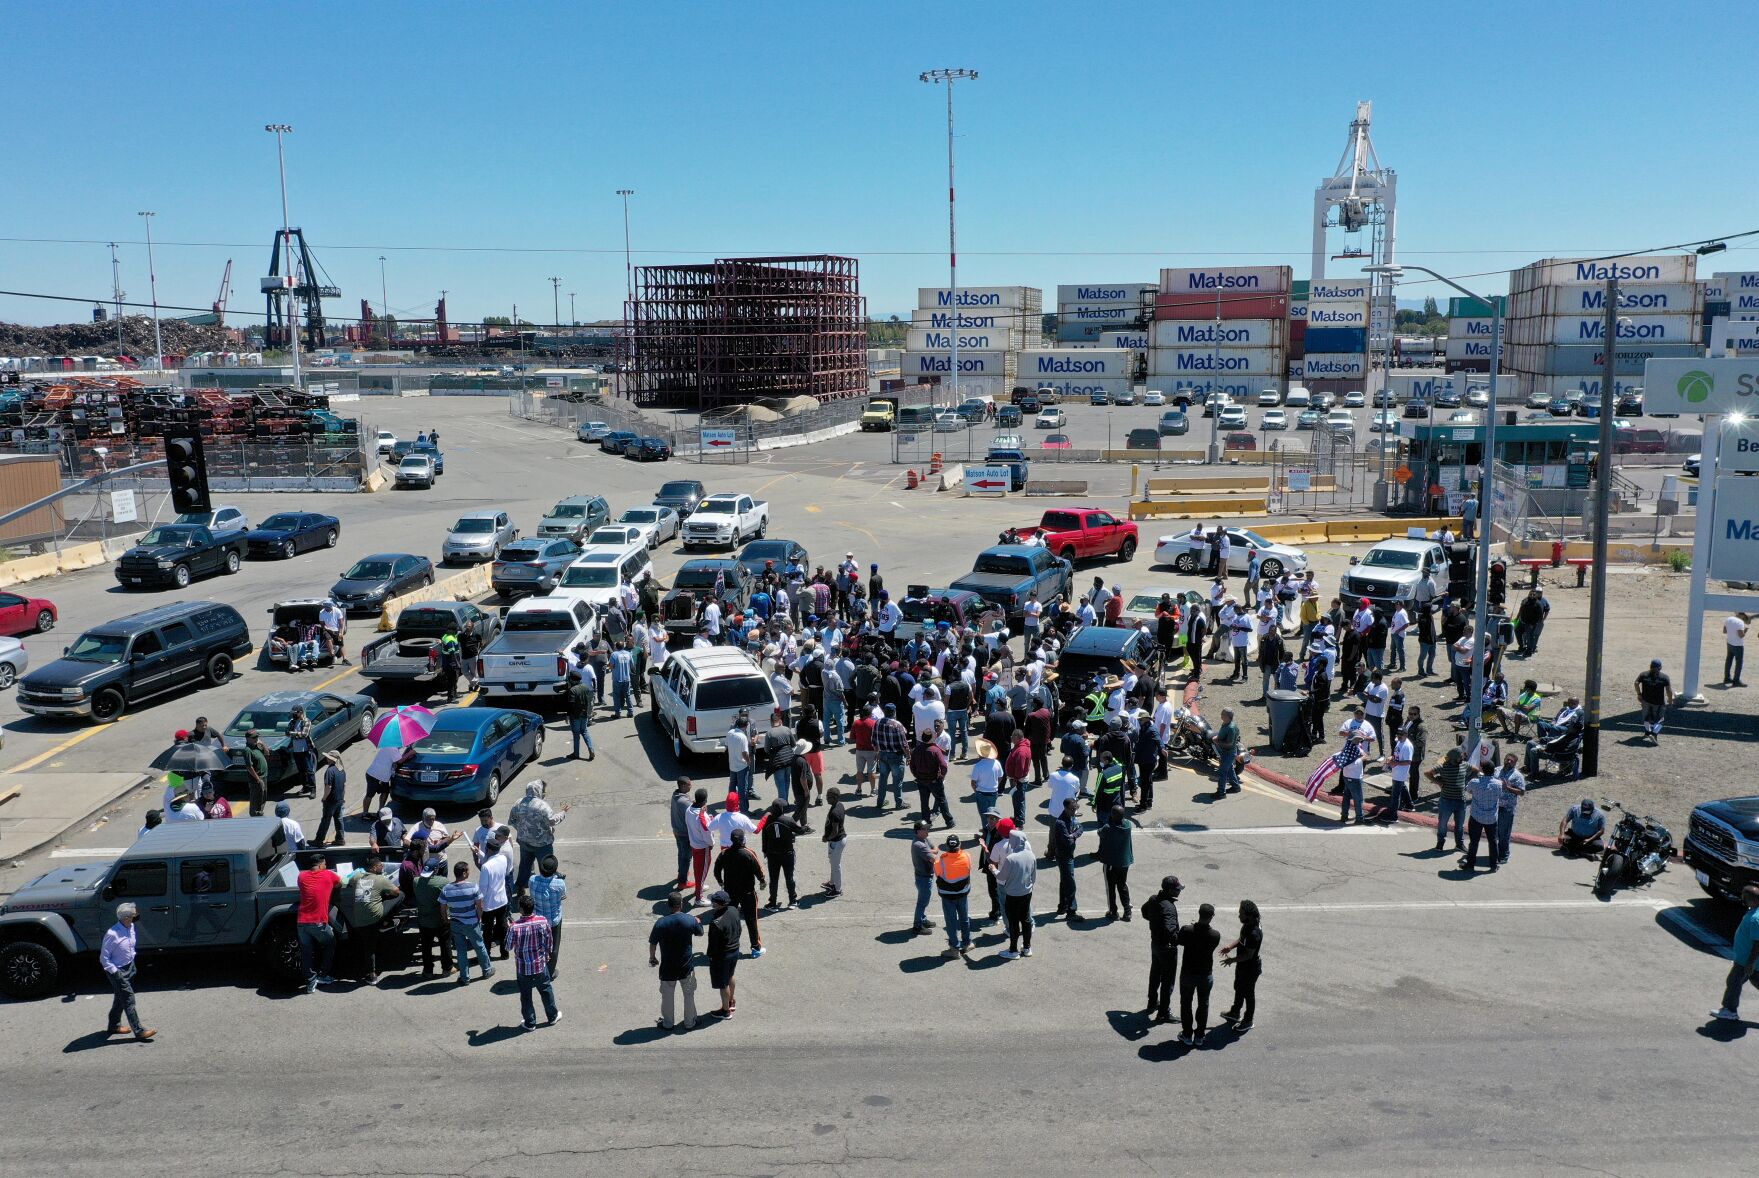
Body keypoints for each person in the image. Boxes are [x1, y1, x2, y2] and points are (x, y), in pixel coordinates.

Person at [649, 892, 706, 1031]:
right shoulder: (689, 919)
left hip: (668, 968)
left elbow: (653, 943)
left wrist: (652, 957)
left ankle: (668, 1024)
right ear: (681, 904)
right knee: (689, 994)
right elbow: (700, 933)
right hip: (686, 967)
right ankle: (690, 1022)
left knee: (667, 996)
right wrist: (698, 922)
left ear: (668, 905)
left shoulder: (660, 923)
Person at [505, 894, 561, 1029]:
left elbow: (508, 946)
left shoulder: (515, 927)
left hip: (523, 968)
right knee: (546, 990)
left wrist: (509, 929)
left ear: (521, 909)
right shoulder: (542, 921)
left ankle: (530, 1022)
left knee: (525, 996)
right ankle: (552, 1016)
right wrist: (547, 954)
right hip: (540, 965)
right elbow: (549, 942)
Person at [100, 902, 155, 1040]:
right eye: (133, 915)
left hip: (130, 967)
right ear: (126, 917)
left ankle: (114, 1025)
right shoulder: (112, 934)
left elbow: (129, 948)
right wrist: (116, 973)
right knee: (129, 999)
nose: (135, 917)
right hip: (117, 971)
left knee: (120, 998)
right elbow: (104, 958)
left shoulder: (131, 927)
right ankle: (139, 1031)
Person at [343, 855, 401, 982]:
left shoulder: (357, 877)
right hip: (374, 917)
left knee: (366, 943)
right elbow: (396, 892)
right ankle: (371, 974)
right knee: (401, 895)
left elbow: (348, 880)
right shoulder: (380, 879)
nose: (382, 867)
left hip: (358, 918)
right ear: (374, 868)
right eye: (380, 865)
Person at [508, 780, 570, 896]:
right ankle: (552, 891)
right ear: (539, 790)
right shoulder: (542, 805)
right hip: (542, 844)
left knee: (525, 866)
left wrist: (523, 830)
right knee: (547, 867)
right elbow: (552, 820)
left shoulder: (518, 803)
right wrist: (563, 813)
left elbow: (512, 821)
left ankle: (520, 888)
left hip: (524, 842)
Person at [712, 828, 766, 956]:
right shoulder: (749, 853)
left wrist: (720, 881)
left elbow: (716, 870)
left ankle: (725, 947)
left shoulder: (724, 853)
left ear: (731, 840)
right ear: (743, 840)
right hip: (747, 893)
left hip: (730, 893)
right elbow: (758, 870)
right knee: (751, 920)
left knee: (727, 919)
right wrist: (762, 881)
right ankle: (755, 948)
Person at [295, 853, 341, 994]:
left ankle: (310, 982)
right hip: (318, 923)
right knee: (330, 943)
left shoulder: (301, 876)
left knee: (306, 952)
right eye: (325, 865)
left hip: (302, 922)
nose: (326, 867)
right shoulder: (328, 875)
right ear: (321, 865)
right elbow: (339, 883)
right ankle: (323, 974)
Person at [1712, 885, 1759, 1021]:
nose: (1743, 900)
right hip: (1751, 961)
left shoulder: (1756, 919)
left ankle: (1730, 1010)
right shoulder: (1755, 911)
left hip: (1746, 961)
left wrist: (1750, 963)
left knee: (1733, 982)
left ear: (1752, 900)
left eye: (1745, 898)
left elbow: (1758, 943)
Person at [442, 860, 493, 984]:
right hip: (471, 922)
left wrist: (446, 919)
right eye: (468, 870)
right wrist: (478, 918)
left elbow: (443, 908)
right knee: (479, 946)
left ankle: (465, 977)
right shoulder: (473, 887)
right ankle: (487, 970)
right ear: (464, 873)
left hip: (455, 923)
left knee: (460, 950)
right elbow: (480, 906)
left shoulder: (446, 889)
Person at [1178, 902, 1222, 1046]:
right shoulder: (1215, 935)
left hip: (1188, 974)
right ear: (1212, 917)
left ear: (1199, 913)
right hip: (1205, 975)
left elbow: (1179, 940)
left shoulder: (1187, 930)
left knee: (1186, 1004)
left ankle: (1187, 1034)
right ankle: (1200, 1036)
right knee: (1203, 1004)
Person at [1219, 899, 1263, 1031]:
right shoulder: (1248, 924)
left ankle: (1248, 1020)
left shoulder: (1254, 933)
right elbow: (1241, 939)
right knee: (1238, 988)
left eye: (1241, 913)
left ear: (1248, 915)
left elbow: (1249, 955)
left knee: (1248, 994)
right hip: (1243, 966)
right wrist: (1230, 946)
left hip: (1250, 968)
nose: (1239, 915)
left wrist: (1232, 960)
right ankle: (1235, 1012)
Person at [997, 820, 1037, 960]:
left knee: (1013, 922)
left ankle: (1013, 950)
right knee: (1026, 920)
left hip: (1013, 895)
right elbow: (1033, 876)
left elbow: (1001, 876)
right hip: (1027, 893)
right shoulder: (1031, 855)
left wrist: (993, 870)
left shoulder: (1011, 858)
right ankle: (1027, 947)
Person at [412, 855, 454, 979]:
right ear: (435, 870)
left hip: (424, 920)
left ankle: (428, 970)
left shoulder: (416, 881)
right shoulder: (442, 882)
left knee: (426, 946)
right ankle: (447, 968)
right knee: (445, 944)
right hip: (440, 919)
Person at [477, 831, 514, 959]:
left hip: (489, 904)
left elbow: (483, 888)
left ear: (488, 849)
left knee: (487, 931)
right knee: (503, 927)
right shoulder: (503, 858)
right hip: (502, 900)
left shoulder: (486, 867)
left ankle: (486, 954)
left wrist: (480, 904)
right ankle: (505, 953)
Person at [705, 890, 743, 1017]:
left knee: (723, 983)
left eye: (714, 902)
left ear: (717, 904)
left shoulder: (716, 922)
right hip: (735, 949)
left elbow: (713, 944)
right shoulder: (734, 910)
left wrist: (710, 956)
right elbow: (739, 929)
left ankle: (725, 1010)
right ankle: (731, 1001)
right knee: (731, 975)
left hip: (723, 955)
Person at [530, 855, 568, 978]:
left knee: (538, 946)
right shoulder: (560, 883)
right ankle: (550, 972)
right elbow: (563, 896)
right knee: (553, 947)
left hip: (538, 921)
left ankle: (537, 968)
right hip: (553, 922)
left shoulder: (532, 880)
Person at [761, 800, 803, 909]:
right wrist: (805, 828)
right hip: (787, 854)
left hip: (773, 855)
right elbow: (800, 830)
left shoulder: (767, 821)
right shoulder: (788, 820)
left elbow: (764, 839)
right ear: (782, 809)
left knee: (773, 879)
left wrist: (765, 851)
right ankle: (793, 901)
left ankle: (773, 903)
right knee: (789, 877)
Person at [1461, 767, 1503, 874]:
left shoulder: (1474, 782)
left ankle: (1470, 864)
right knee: (1493, 842)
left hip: (1476, 817)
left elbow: (1468, 790)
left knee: (1474, 842)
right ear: (1493, 772)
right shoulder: (1499, 784)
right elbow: (1500, 795)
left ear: (1483, 771)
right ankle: (1494, 865)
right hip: (1491, 818)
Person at [1426, 748, 1469, 853]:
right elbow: (1427, 773)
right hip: (1446, 801)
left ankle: (1459, 844)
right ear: (1454, 759)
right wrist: (1438, 782)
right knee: (1442, 824)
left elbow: (1476, 770)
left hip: (1460, 801)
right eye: (1460, 757)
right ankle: (1440, 843)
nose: (1462, 758)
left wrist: (1466, 780)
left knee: (1459, 825)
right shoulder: (1442, 766)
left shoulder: (1464, 765)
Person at [1097, 805, 1135, 920]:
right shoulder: (1128, 825)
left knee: (1111, 887)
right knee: (1122, 885)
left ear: (1112, 815)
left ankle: (1113, 911)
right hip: (1125, 862)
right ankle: (1127, 911)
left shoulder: (1108, 827)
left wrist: (1109, 820)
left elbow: (1100, 832)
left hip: (1111, 863)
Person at [872, 704, 909, 811]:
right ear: (894, 712)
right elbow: (904, 744)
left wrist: (877, 752)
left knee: (883, 779)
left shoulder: (877, 722)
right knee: (897, 781)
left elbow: (874, 741)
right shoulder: (897, 725)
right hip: (896, 756)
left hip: (883, 755)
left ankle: (880, 801)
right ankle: (899, 803)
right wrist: (908, 756)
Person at [1050, 797, 1082, 921]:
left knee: (1065, 881)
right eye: (1072, 809)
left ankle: (1062, 906)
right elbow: (1067, 842)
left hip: (1068, 855)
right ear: (1066, 808)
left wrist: (1073, 834)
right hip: (1064, 856)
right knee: (1070, 884)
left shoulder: (1072, 818)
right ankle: (1071, 911)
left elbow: (1080, 829)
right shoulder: (1060, 823)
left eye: (1075, 809)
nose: (1074, 811)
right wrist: (1073, 835)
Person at [1493, 753, 1526, 867]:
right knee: (1495, 832)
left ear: (1515, 763)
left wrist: (1508, 788)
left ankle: (1504, 855)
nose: (1509, 762)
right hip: (1494, 806)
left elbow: (1521, 792)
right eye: (1507, 760)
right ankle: (1496, 853)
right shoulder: (1496, 770)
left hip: (1507, 809)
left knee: (1504, 833)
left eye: (1512, 761)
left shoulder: (1517, 776)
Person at [311, 751, 347, 847]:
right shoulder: (341, 769)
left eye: (328, 757)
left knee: (325, 820)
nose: (326, 758)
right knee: (339, 820)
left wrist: (324, 798)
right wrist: (342, 798)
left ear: (332, 759)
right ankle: (340, 839)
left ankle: (319, 840)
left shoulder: (330, 771)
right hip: (339, 800)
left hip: (330, 801)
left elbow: (328, 787)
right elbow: (344, 786)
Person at [1634, 659, 1673, 742]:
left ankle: (1647, 732)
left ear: (1650, 666)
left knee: (1646, 717)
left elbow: (1636, 683)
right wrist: (1670, 701)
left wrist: (1639, 694)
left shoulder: (1643, 674)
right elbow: (1669, 690)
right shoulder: (1664, 677)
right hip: (1658, 703)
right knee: (1660, 719)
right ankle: (1654, 734)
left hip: (1645, 701)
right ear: (1660, 667)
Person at [822, 787, 848, 897]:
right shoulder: (839, 805)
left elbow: (835, 831)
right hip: (837, 841)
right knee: (833, 863)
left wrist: (827, 838)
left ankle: (837, 890)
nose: (827, 799)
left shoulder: (835, 812)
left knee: (836, 866)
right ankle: (832, 883)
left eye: (829, 797)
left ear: (835, 798)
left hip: (836, 841)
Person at [286, 705, 317, 798]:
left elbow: (304, 734)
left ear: (300, 713)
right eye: (293, 713)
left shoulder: (306, 721)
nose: (294, 715)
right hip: (296, 750)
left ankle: (312, 789)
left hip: (306, 749)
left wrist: (293, 734)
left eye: (295, 713)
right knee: (301, 770)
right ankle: (305, 787)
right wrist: (294, 734)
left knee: (309, 770)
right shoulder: (292, 722)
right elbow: (286, 732)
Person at [566, 668, 596, 760]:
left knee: (576, 734)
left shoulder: (572, 690)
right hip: (584, 714)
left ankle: (576, 754)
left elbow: (571, 705)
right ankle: (591, 750)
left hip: (575, 716)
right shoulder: (585, 687)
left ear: (573, 680)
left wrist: (567, 715)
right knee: (585, 731)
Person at [725, 713, 753, 807]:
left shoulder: (730, 733)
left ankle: (731, 806)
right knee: (742, 789)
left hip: (732, 765)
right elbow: (744, 753)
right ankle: (744, 810)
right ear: (746, 726)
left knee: (732, 787)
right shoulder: (743, 737)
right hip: (742, 766)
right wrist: (749, 762)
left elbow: (726, 746)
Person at [1213, 708, 1241, 799]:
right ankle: (1235, 787)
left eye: (1223, 714)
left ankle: (1221, 793)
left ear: (1229, 717)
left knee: (1223, 772)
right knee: (1230, 769)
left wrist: (1217, 742)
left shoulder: (1231, 728)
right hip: (1226, 752)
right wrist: (1218, 737)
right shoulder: (1226, 723)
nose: (1221, 715)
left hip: (1228, 753)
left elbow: (1229, 743)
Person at [242, 729, 270, 817]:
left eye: (257, 737)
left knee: (263, 796)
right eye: (254, 737)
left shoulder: (257, 746)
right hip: (256, 779)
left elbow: (267, 753)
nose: (256, 739)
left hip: (264, 776)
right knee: (256, 798)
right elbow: (249, 767)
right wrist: (258, 779)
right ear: (248, 739)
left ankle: (260, 812)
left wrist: (262, 744)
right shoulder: (248, 750)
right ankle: (254, 814)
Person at [1725, 612, 1750, 687]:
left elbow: (1724, 631)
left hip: (1729, 643)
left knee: (1729, 661)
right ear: (1741, 616)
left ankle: (1727, 678)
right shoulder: (1740, 622)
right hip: (1738, 645)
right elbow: (1741, 635)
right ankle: (1736, 681)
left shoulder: (1728, 619)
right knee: (1739, 663)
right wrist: (1745, 631)